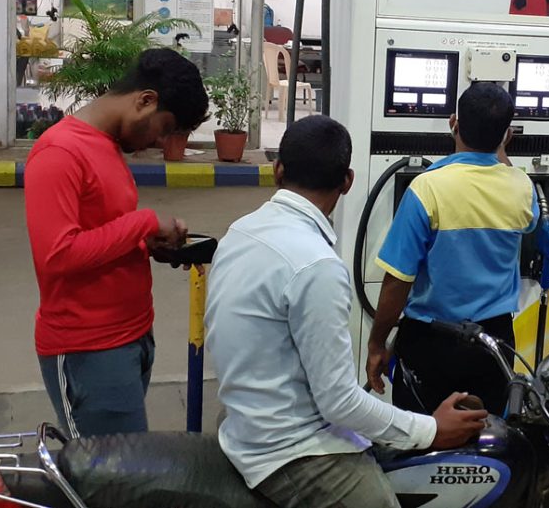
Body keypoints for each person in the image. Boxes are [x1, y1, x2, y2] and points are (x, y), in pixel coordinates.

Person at [205, 115, 487, 508]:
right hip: (290, 450)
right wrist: (431, 429)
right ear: (348, 181)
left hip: (245, 421)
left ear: (278, 170)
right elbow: (338, 402)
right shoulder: (316, 265)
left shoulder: (240, 231)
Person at [25, 48, 209, 438]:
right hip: (88, 349)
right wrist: (144, 222)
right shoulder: (59, 152)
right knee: (111, 472)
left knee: (128, 465)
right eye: (164, 128)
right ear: (145, 100)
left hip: (131, 338)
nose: (159, 141)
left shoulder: (105, 145)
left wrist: (149, 244)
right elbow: (57, 255)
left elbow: (102, 235)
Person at [367, 83, 539, 415]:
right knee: (486, 432)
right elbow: (531, 222)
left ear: (454, 124)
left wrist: (377, 344)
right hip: (495, 342)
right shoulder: (522, 188)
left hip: (431, 343)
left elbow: (397, 281)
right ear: (507, 134)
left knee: (423, 433)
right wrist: (499, 148)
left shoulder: (426, 189)